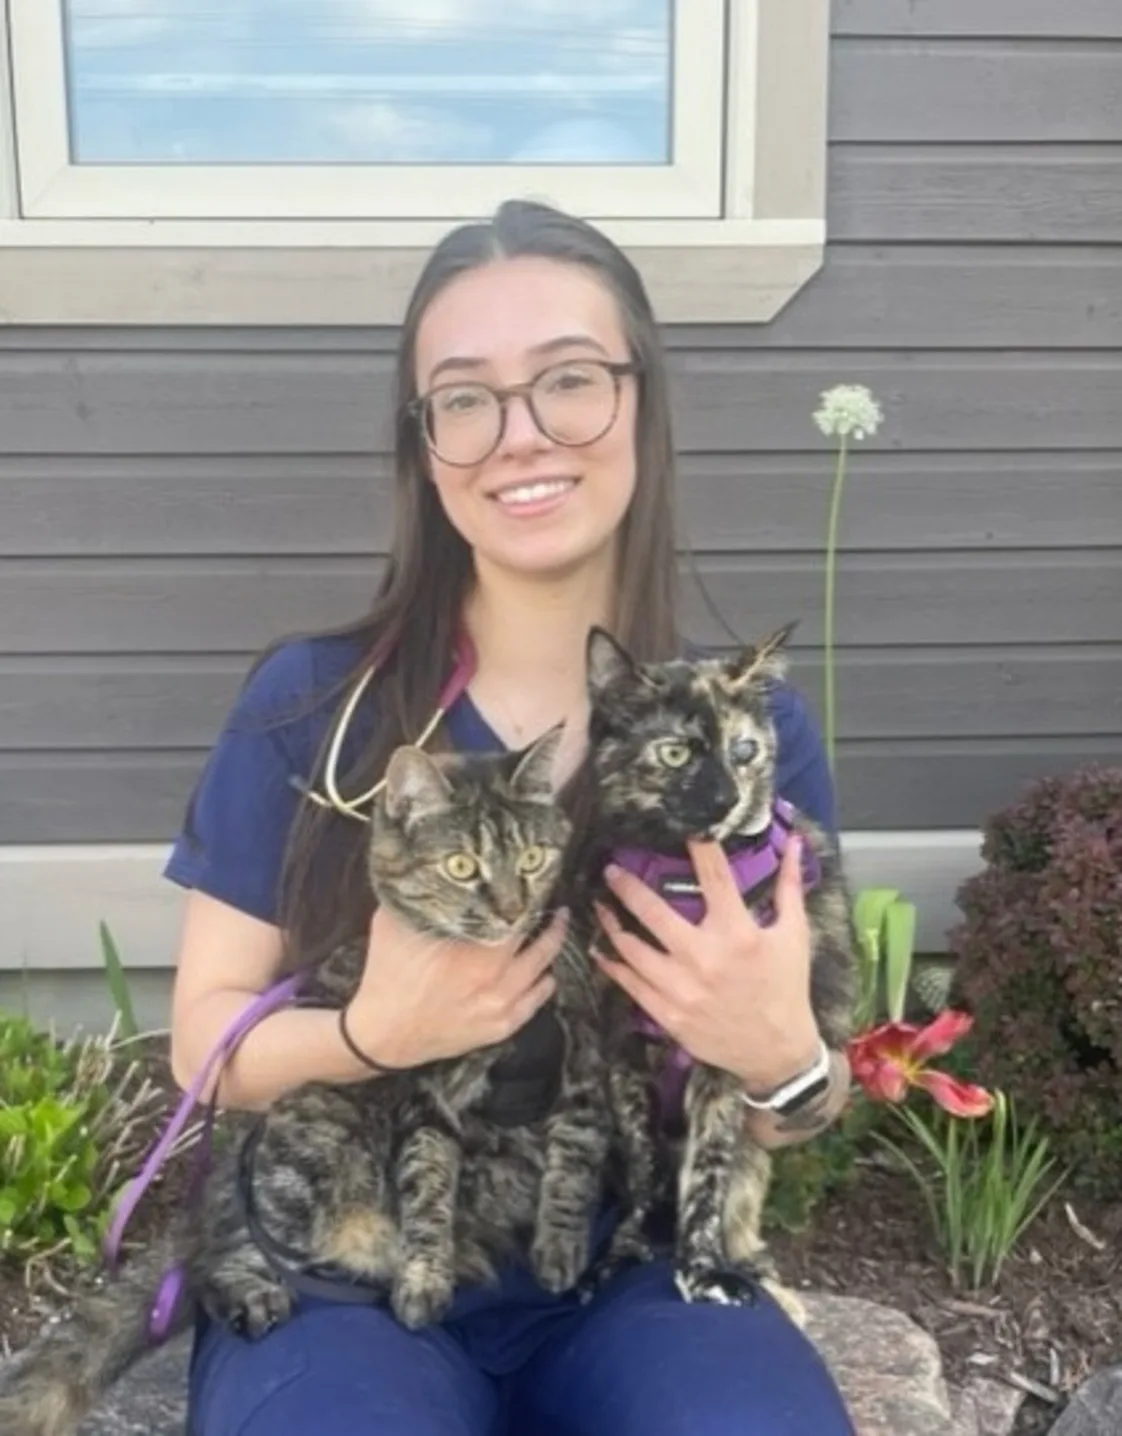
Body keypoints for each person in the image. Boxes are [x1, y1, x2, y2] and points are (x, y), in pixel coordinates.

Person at [165, 198, 857, 1436]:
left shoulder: (744, 740)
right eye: (466, 397)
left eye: (569, 380)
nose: (520, 434)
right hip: (354, 1267)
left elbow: (804, 1104)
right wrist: (371, 1033)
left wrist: (781, 1054)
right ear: (424, 442)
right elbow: (203, 1048)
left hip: (634, 1270)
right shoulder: (316, 706)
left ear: (640, 398)